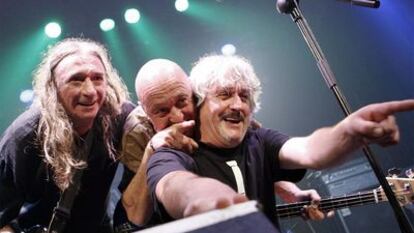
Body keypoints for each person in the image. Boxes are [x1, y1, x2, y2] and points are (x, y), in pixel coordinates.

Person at [146, 54, 414, 230]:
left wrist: (348, 133)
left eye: (245, 96)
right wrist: (220, 203)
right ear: (201, 101)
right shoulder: (173, 152)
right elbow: (175, 186)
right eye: (225, 94)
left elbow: (309, 149)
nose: (238, 105)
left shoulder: (260, 141)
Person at [113, 59, 324, 232]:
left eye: (181, 102)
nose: (177, 117)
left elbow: (247, 159)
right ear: (146, 111)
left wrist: (289, 191)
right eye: (162, 111)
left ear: (195, 94)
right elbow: (131, 218)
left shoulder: (216, 112)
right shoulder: (137, 133)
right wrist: (152, 150)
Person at [0, 38, 134, 233]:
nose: (90, 91)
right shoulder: (25, 136)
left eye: (98, 78)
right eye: (76, 80)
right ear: (53, 88)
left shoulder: (119, 117)